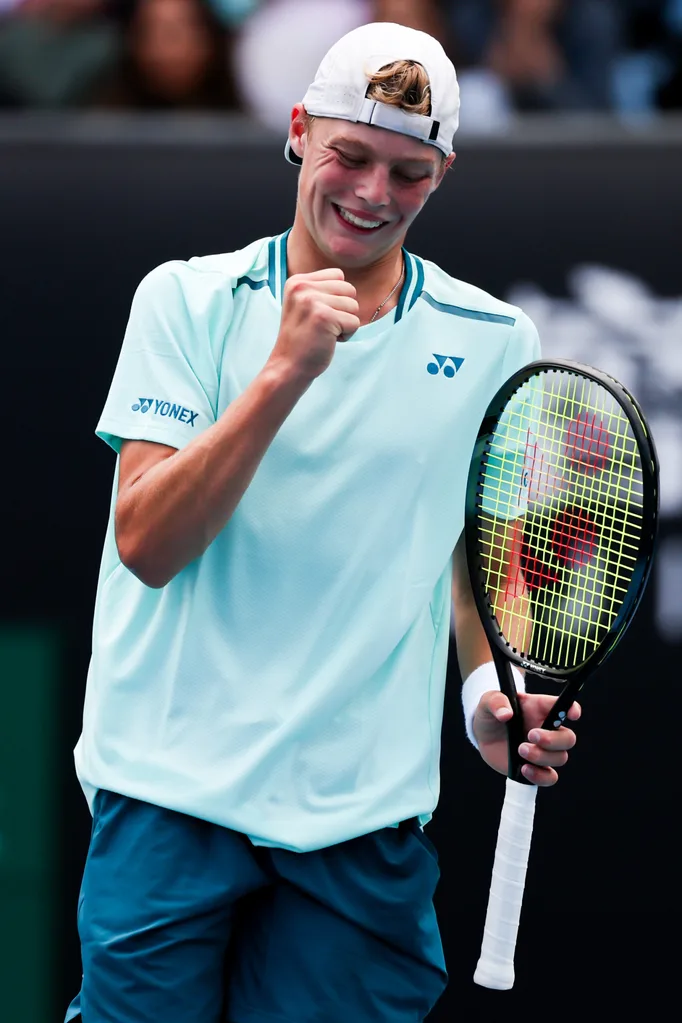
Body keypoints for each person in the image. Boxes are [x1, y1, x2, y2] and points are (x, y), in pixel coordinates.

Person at [66, 21, 580, 1023]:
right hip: (169, 792)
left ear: (442, 174)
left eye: (408, 172)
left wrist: (487, 695)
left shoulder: (496, 340)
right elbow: (149, 544)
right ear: (298, 131)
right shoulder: (186, 300)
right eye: (349, 155)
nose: (372, 194)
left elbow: (475, 559)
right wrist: (285, 373)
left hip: (359, 817)